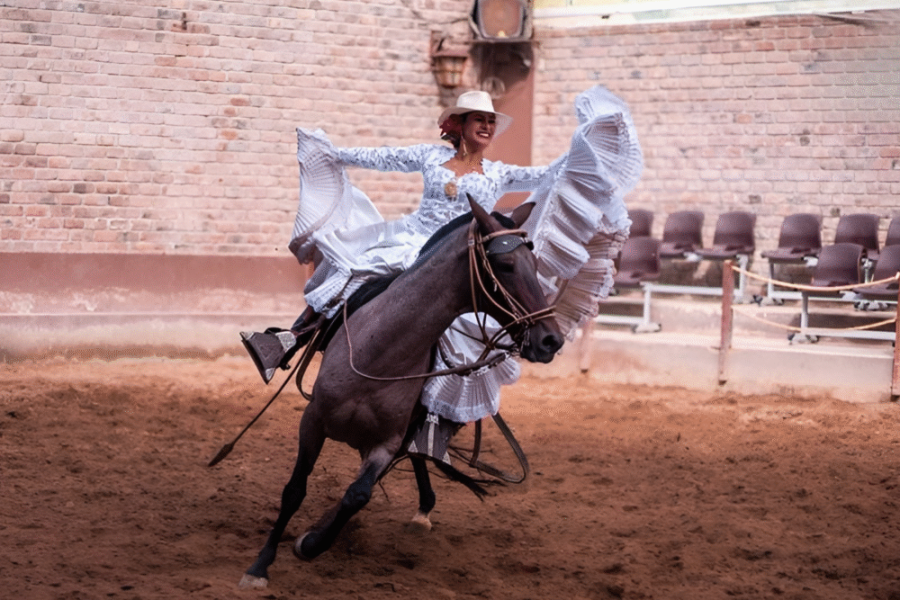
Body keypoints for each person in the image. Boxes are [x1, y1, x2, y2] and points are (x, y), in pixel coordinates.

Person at [241, 86, 643, 462]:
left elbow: (549, 176)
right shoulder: (429, 157)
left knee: (466, 336)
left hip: (459, 261)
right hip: (412, 243)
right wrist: (335, 153)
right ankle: (287, 340)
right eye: (478, 120)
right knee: (350, 270)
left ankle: (432, 419)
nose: (486, 127)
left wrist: (584, 147)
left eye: (491, 122)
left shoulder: (500, 173)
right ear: (459, 125)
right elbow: (382, 157)